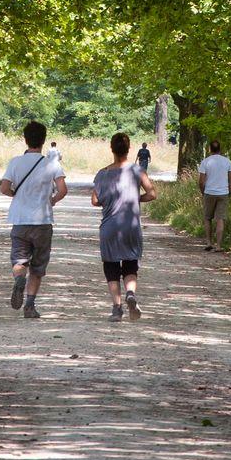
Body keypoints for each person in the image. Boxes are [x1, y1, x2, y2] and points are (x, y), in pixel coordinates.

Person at [0, 121, 67, 318]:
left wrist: (17, 196)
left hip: (20, 220)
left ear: (25, 139)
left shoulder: (15, 162)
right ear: (44, 140)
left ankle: (19, 277)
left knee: (19, 259)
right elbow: (63, 190)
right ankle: (29, 306)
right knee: (38, 266)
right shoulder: (52, 164)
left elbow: (4, 188)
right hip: (43, 222)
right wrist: (51, 201)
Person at [91, 131, 156, 322]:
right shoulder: (137, 171)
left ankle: (117, 308)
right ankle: (130, 293)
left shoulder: (102, 173)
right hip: (131, 226)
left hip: (109, 227)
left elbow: (95, 200)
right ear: (129, 149)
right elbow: (152, 194)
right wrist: (136, 198)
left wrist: (108, 200)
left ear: (112, 149)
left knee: (111, 268)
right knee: (130, 265)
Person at [198, 140, 231, 252]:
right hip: (223, 193)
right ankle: (218, 245)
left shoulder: (205, 162)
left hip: (209, 192)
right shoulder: (227, 162)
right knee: (220, 219)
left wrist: (203, 192)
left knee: (207, 218)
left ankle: (209, 242)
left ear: (210, 149)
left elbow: (201, 181)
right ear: (220, 149)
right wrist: (229, 192)